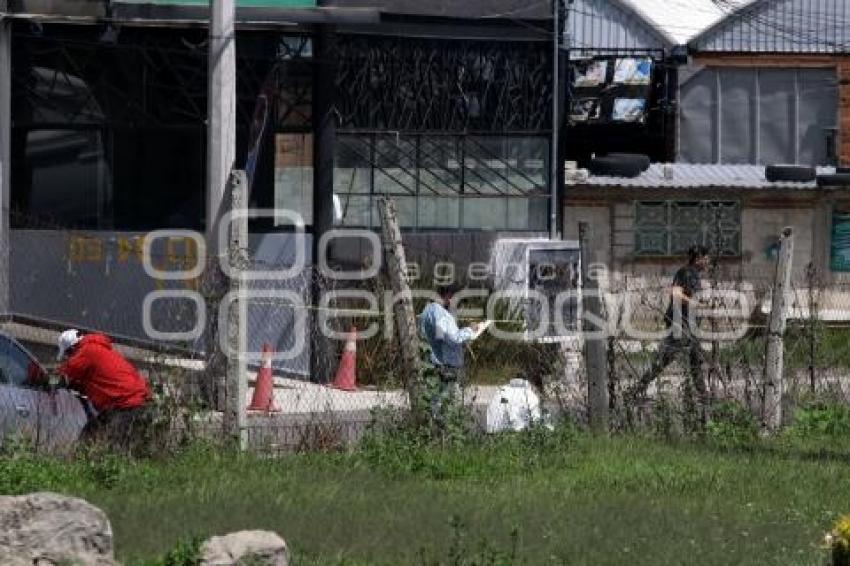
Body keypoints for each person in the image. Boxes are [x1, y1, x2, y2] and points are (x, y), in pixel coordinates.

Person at [626, 245, 711, 424]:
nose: (708, 261)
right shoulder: (688, 273)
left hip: (686, 324)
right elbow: (676, 294)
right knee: (667, 358)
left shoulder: (688, 272)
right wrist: (697, 304)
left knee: (695, 358)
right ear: (699, 259)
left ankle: (703, 394)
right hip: (680, 325)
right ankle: (636, 389)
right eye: (706, 258)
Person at [56, 329, 152, 450]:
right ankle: (85, 461)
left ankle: (102, 464)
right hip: (130, 400)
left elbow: (68, 371)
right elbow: (95, 378)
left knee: (114, 445)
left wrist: (55, 382)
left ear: (71, 348)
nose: (68, 358)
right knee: (91, 433)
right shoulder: (99, 349)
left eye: (68, 355)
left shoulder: (87, 351)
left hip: (126, 403)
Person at [417, 285, 484, 419]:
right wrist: (472, 330)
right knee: (444, 400)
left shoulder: (426, 312)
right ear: (448, 297)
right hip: (444, 363)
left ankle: (432, 426)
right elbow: (454, 338)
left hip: (429, 361)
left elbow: (437, 336)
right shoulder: (441, 314)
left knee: (433, 398)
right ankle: (441, 429)